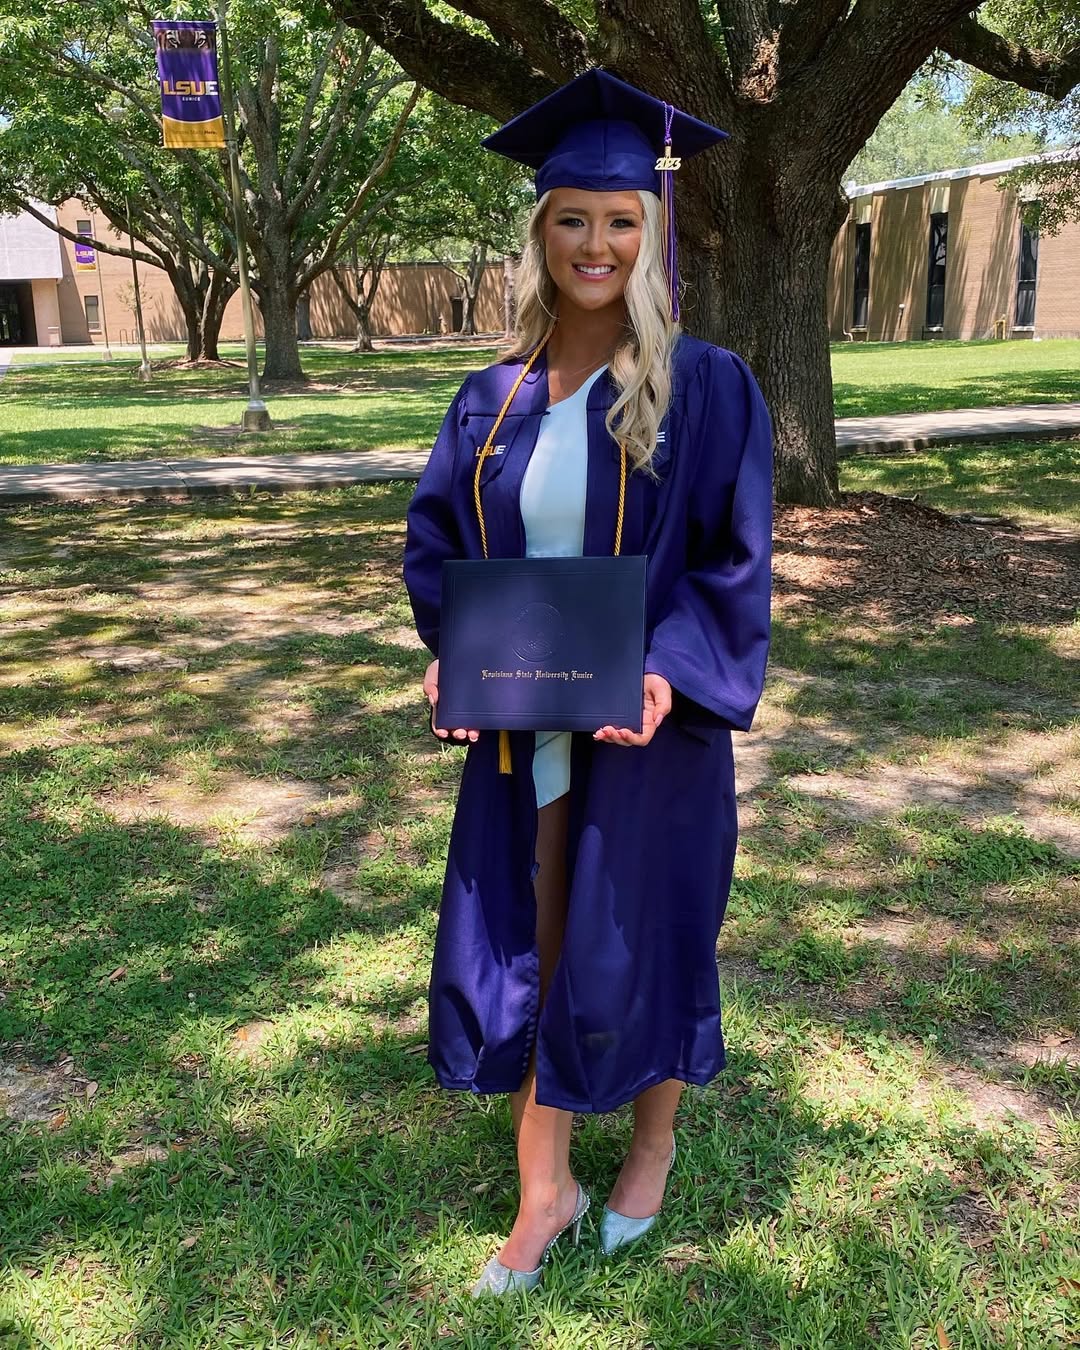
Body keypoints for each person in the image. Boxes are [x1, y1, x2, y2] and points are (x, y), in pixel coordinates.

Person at [403, 68, 773, 1297]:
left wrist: (668, 670)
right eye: (573, 219)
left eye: (622, 221)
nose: (596, 244)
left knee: (650, 928)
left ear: (651, 234)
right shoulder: (490, 400)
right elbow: (438, 548)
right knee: (539, 936)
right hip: (525, 724)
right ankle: (544, 1188)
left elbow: (732, 556)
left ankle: (650, 1151)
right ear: (541, 232)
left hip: (652, 727)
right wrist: (450, 653)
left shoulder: (706, 386)